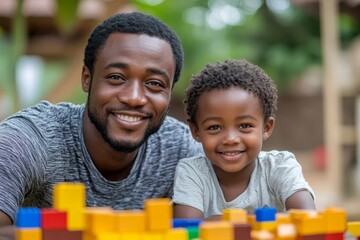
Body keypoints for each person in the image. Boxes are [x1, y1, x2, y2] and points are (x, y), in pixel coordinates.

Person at [0, 11, 203, 228]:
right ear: (87, 79)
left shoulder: (182, 151)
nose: (134, 98)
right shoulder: (29, 140)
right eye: (116, 77)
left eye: (154, 83)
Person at [172, 59, 316, 220]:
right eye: (214, 127)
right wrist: (263, 222)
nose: (231, 139)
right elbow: (188, 229)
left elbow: (307, 218)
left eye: (245, 125)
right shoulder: (192, 172)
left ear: (266, 128)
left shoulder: (280, 166)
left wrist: (216, 224)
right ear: (196, 131)